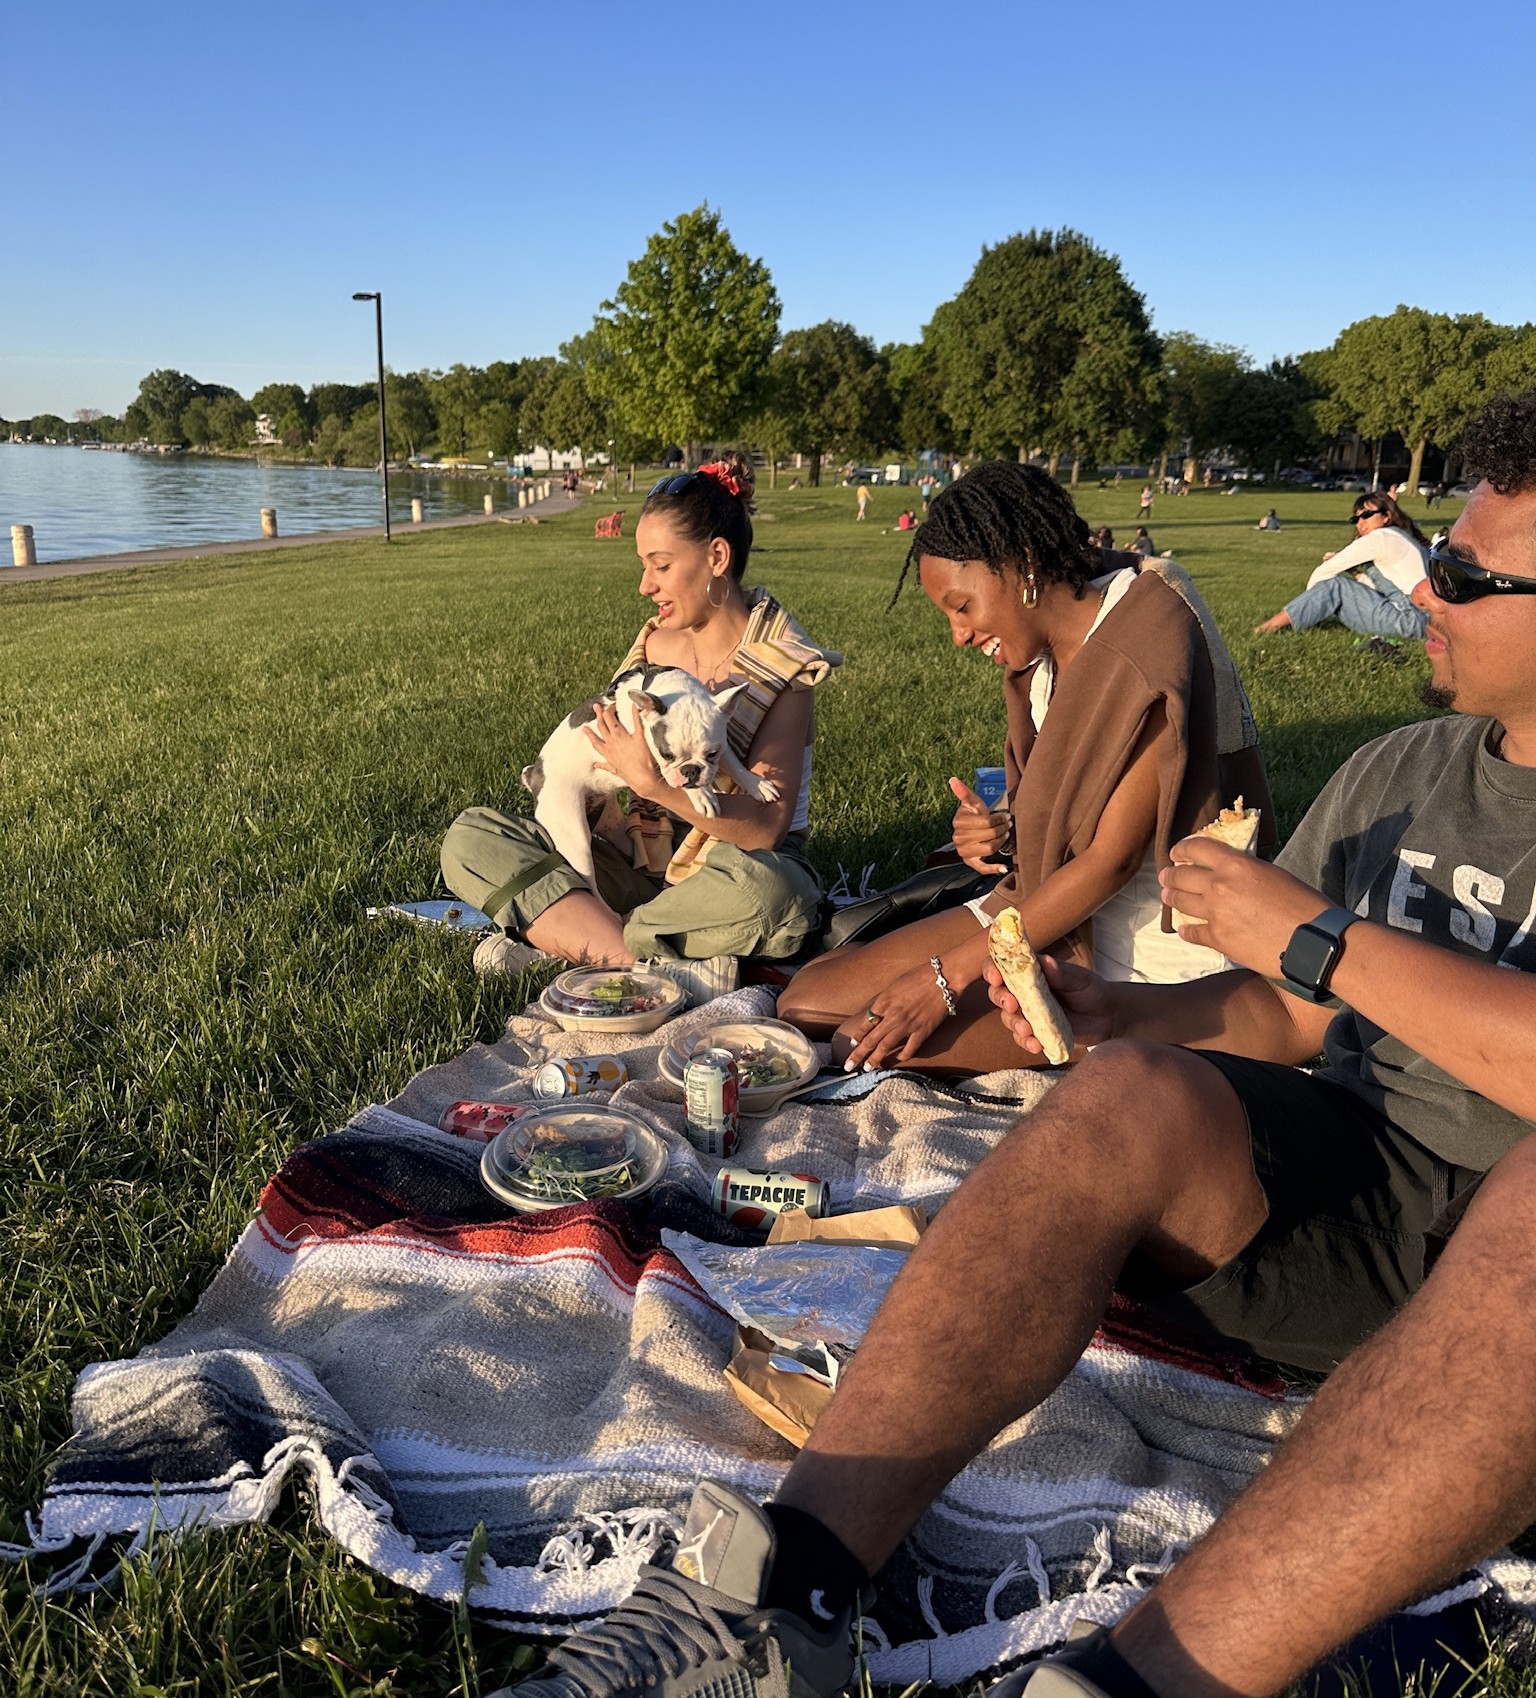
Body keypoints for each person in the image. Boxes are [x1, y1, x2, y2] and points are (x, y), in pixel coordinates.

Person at [485, 390, 1536, 1698]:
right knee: (1129, 1089)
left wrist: (1311, 934)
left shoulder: (1149, 640)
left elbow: (1292, 957)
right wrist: (1135, 1024)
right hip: (1366, 1195)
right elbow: (1285, 1018)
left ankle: (1129, 1683)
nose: (1423, 589)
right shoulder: (1407, 774)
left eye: (1463, 573)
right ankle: (787, 1588)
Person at [776, 460, 1273, 1077]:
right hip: (1035, 902)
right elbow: (1069, 801)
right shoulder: (1036, 655)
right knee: (806, 998)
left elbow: (1111, 860)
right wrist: (1003, 829)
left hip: (1133, 957)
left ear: (1025, 566)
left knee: (857, 1044)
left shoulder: (1144, 639)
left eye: (962, 606)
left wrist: (945, 980)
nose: (957, 635)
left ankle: (1132, 1046)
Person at [441, 456, 838, 979]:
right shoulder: (656, 646)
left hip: (729, 870)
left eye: (660, 565)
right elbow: (602, 765)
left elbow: (765, 831)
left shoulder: (784, 665)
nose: (645, 586)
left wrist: (650, 782)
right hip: (644, 859)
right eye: (644, 566)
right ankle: (647, 957)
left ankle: (577, 939)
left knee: (774, 895)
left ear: (716, 556)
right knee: (470, 839)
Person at [1254, 493, 1430, 637]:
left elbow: (1324, 573)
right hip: (1426, 622)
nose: (1361, 522)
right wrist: (1353, 573)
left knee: (1335, 586)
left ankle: (1266, 629)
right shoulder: (1401, 537)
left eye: (1367, 515)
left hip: (1408, 620)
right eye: (1357, 519)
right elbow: (1386, 589)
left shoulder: (1379, 538)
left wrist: (1313, 605)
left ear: (1386, 516)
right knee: (1340, 587)